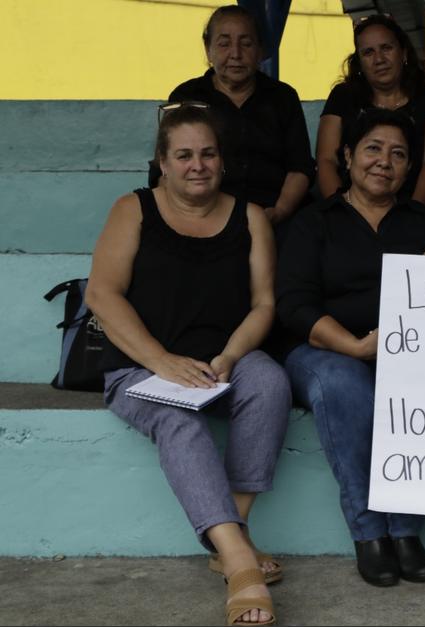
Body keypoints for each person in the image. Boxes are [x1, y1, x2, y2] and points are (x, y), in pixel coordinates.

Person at [87, 105, 290, 626]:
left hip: (220, 360)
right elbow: (102, 294)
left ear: (221, 162)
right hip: (139, 367)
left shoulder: (250, 217)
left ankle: (232, 534)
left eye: (207, 153)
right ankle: (240, 559)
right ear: (162, 163)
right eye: (183, 155)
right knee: (178, 417)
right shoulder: (132, 210)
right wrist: (161, 361)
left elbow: (264, 304)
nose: (196, 165)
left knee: (268, 379)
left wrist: (228, 356)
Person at [277, 109, 425, 588]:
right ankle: (370, 532)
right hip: (322, 350)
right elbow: (293, 305)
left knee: (423, 384)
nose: (384, 162)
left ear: (410, 166)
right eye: (373, 148)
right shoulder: (315, 222)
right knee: (345, 385)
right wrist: (353, 347)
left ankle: (407, 530)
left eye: (398, 154)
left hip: (408, 350)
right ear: (348, 155)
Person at [149, 5, 316, 243]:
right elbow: (164, 171)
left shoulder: (282, 97)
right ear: (208, 50)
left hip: (276, 218)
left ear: (260, 50)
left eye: (246, 44)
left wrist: (278, 212)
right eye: (224, 43)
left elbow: (299, 168)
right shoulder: (187, 96)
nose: (235, 54)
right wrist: (190, 216)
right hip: (204, 216)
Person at [317, 14, 425, 206]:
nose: (379, 59)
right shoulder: (343, 96)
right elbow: (326, 161)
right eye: (368, 52)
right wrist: (342, 213)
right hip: (349, 204)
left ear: (403, 53)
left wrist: (414, 215)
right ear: (359, 62)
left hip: (418, 204)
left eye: (386, 48)